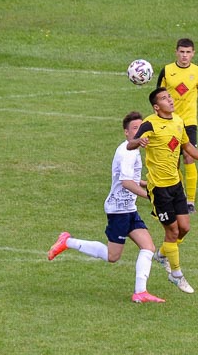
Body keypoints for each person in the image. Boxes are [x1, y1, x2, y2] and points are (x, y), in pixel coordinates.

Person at [47, 111, 165, 304]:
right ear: (126, 133)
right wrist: (151, 197)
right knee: (112, 256)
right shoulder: (127, 152)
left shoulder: (133, 150)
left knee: (148, 247)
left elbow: (132, 180)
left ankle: (140, 292)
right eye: (135, 129)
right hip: (118, 210)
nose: (140, 132)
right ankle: (67, 242)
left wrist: (148, 185)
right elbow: (126, 182)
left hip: (129, 208)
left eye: (142, 128)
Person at [127, 87, 198, 294]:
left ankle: (162, 254)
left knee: (185, 228)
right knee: (173, 230)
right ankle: (176, 274)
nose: (170, 100)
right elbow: (130, 145)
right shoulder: (149, 123)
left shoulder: (178, 121)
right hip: (159, 189)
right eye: (165, 98)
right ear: (157, 107)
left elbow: (186, 146)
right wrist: (138, 142)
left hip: (176, 184)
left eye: (170, 96)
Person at [155, 38, 198, 213]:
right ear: (176, 52)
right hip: (169, 123)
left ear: (193, 53)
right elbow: (158, 96)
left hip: (188, 123)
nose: (185, 55)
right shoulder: (166, 71)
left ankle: (191, 201)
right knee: (173, 161)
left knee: (189, 157)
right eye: (182, 52)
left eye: (188, 52)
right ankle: (176, 196)